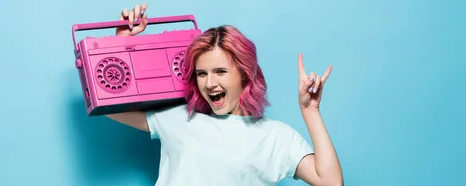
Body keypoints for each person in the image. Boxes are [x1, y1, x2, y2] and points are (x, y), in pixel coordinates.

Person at [105, 3, 343, 186]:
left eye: (220, 71)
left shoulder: (276, 137)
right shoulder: (178, 117)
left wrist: (310, 111)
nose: (209, 83)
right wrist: (121, 44)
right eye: (201, 73)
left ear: (244, 74)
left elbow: (331, 182)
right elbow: (110, 107)